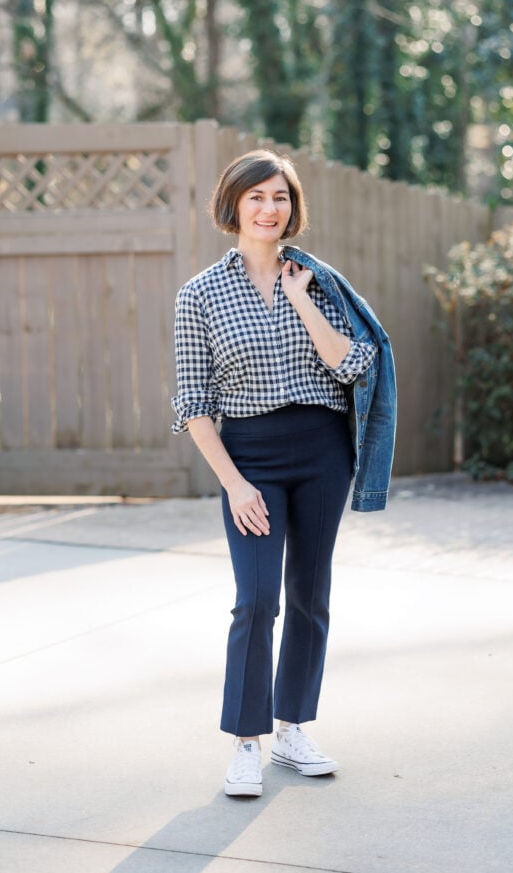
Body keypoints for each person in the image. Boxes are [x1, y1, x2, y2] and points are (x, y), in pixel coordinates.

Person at [171, 149, 396, 798]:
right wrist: (235, 482)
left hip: (323, 448)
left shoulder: (318, 282)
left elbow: (353, 364)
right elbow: (192, 403)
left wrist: (300, 300)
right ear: (232, 205)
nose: (270, 209)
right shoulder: (199, 295)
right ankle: (246, 741)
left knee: (309, 594)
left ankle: (292, 725)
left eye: (281, 197)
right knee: (256, 598)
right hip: (250, 456)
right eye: (257, 197)